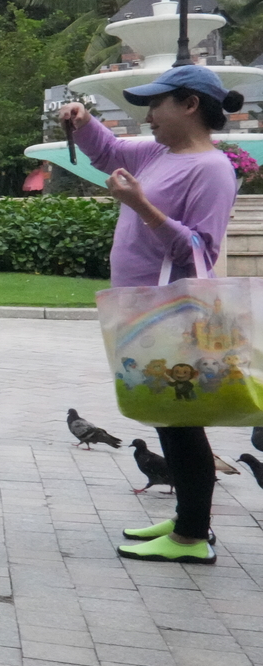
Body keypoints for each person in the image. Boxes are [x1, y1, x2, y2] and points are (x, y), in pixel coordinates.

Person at [62, 64, 242, 564]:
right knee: (166, 417)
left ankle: (191, 537)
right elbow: (110, 153)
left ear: (190, 105)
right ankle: (188, 519)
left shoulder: (211, 169)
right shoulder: (159, 152)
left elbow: (199, 249)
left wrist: (143, 206)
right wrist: (83, 122)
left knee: (179, 421)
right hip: (141, 310)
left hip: (172, 314)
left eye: (157, 105)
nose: (149, 116)